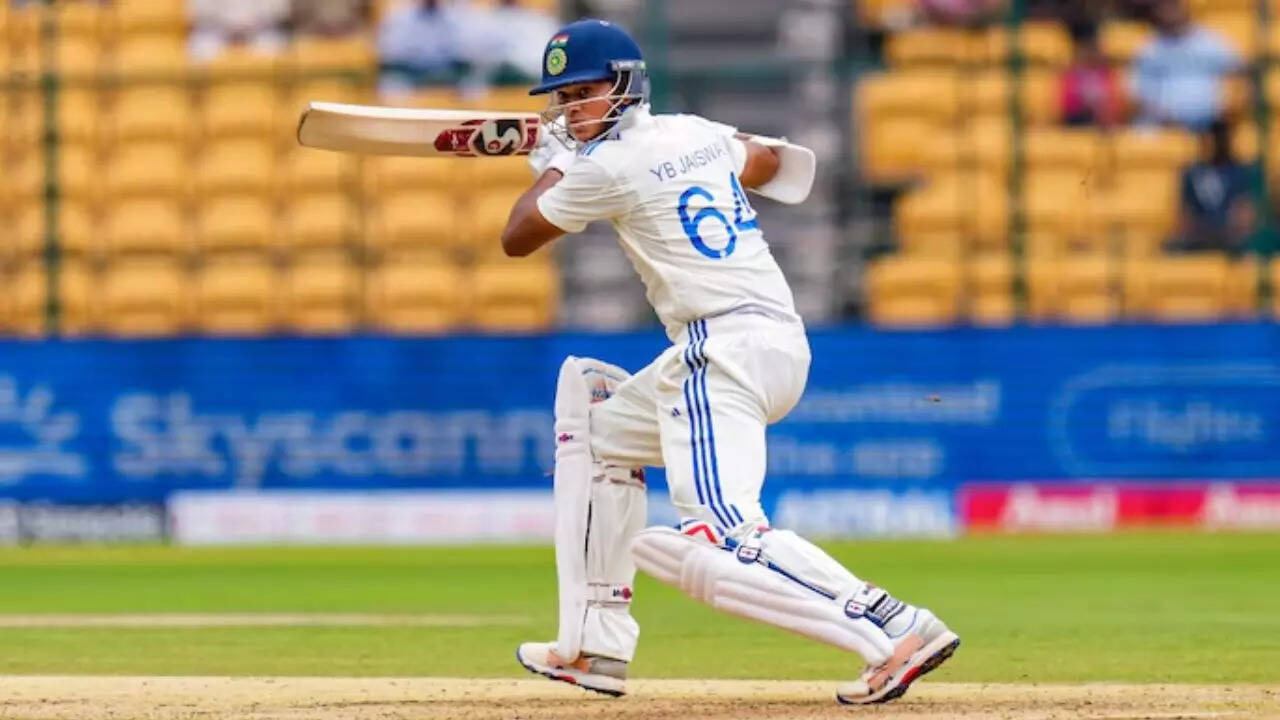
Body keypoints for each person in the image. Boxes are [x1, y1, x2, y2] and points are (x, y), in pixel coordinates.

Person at [504, 19, 960, 705]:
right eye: (562, 98)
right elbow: (773, 164)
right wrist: (600, 153)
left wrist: (557, 164)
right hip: (775, 341)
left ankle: (894, 627)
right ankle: (593, 643)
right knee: (596, 427)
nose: (571, 110)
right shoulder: (693, 131)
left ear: (625, 84)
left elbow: (516, 236)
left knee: (723, 532)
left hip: (717, 352)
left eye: (583, 92)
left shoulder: (605, 167)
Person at [1130, 0, 1241, 131]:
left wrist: (1226, 103)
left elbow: (1237, 72)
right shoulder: (1150, 49)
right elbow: (1140, 91)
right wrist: (1161, 113)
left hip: (1211, 123)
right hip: (1164, 124)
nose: (1169, 13)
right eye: (1164, 9)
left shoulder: (1211, 42)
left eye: (1173, 8)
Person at [1169, 119, 1259, 254]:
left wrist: (1233, 229)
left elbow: (1245, 211)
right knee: (1173, 247)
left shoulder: (1242, 172)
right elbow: (1185, 214)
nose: (1216, 143)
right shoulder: (1192, 174)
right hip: (1200, 236)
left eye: (1220, 138)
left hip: (1232, 237)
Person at [376, 0, 467, 95]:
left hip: (447, 74)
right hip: (410, 74)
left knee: (470, 87)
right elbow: (390, 54)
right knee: (392, 86)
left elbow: (463, 53)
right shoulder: (399, 17)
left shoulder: (456, 17)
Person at [1060, 24, 1122, 128]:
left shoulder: (1106, 74)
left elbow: (1114, 103)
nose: (1091, 54)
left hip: (1103, 122)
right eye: (1087, 50)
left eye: (1094, 49)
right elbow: (1067, 105)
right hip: (1077, 122)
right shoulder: (1072, 74)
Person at [188, 0, 290, 61]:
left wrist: (248, 26)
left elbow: (280, 10)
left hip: (260, 31)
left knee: (274, 47)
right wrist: (230, 27)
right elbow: (197, 12)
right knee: (201, 49)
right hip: (217, 33)